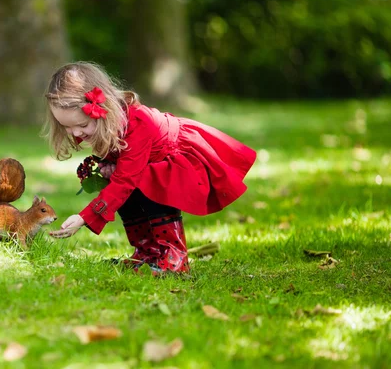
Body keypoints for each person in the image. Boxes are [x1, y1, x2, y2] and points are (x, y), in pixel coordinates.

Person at [45, 62, 256, 273]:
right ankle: (147, 252)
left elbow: (126, 180)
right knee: (126, 194)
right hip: (147, 167)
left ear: (103, 110)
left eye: (82, 125)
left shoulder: (139, 123)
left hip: (177, 159)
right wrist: (109, 166)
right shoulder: (107, 127)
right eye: (66, 127)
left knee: (147, 187)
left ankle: (174, 255)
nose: (75, 134)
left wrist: (84, 217)